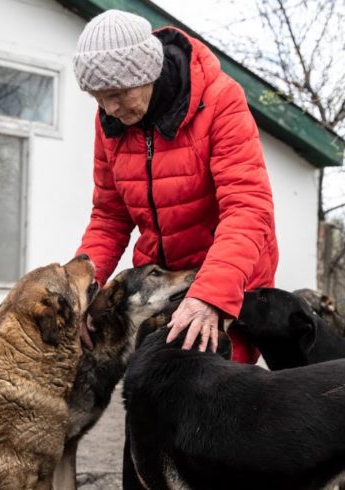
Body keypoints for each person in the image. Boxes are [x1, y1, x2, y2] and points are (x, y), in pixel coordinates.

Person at [73, 9, 278, 364]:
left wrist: (210, 296)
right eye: (97, 97)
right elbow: (109, 217)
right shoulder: (111, 120)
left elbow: (248, 207)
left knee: (217, 406)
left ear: (147, 72)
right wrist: (77, 294)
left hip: (225, 283)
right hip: (160, 288)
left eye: (118, 93)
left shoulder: (220, 100)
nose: (109, 107)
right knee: (154, 403)